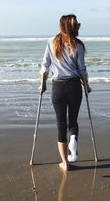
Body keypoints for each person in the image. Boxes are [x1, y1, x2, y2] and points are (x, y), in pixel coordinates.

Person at [39, 14, 91, 172]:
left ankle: (65, 163)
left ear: (61, 26)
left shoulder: (51, 42)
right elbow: (82, 70)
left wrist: (42, 84)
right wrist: (87, 85)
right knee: (72, 121)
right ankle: (73, 140)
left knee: (60, 125)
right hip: (74, 86)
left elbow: (45, 66)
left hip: (58, 87)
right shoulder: (78, 45)